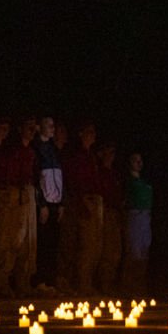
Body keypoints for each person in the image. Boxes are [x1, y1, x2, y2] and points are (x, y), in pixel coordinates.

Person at [0, 116, 36, 296]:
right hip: (9, 193)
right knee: (5, 238)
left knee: (22, 240)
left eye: (34, 127)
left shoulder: (29, 152)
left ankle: (20, 279)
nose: (32, 131)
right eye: (28, 127)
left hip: (23, 193)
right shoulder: (10, 151)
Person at [63, 120, 104, 296]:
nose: (92, 136)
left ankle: (87, 281)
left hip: (95, 200)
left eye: (94, 132)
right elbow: (75, 180)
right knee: (85, 244)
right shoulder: (77, 156)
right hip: (85, 199)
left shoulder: (91, 156)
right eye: (89, 132)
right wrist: (81, 201)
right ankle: (81, 282)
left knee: (95, 245)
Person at [33, 114, 63, 292]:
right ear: (39, 127)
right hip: (44, 203)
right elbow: (37, 178)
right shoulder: (36, 148)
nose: (52, 128)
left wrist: (61, 203)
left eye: (53, 124)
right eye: (48, 124)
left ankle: (50, 280)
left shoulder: (54, 149)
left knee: (52, 242)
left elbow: (60, 177)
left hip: (55, 202)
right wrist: (41, 203)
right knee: (42, 242)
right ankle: (40, 280)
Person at [122, 149, 153, 295]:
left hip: (145, 217)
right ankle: (129, 287)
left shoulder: (145, 182)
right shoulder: (128, 181)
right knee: (134, 252)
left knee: (144, 251)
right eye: (135, 160)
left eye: (140, 161)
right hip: (134, 216)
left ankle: (140, 285)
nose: (139, 163)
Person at [96, 141, 124, 294]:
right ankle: (104, 283)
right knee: (107, 249)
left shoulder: (114, 174)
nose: (111, 156)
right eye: (109, 152)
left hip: (115, 212)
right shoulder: (100, 172)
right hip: (105, 211)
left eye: (113, 153)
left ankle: (111, 282)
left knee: (115, 250)